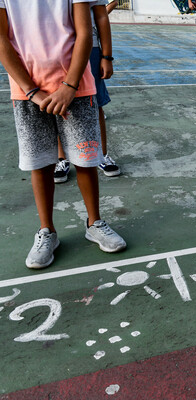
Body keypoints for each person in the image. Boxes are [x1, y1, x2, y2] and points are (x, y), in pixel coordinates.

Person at [0, 0, 127, 269]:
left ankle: (94, 222)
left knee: (86, 159)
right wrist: (31, 90)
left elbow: (84, 31)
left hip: (76, 86)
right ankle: (47, 231)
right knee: (40, 163)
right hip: (27, 89)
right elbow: (2, 37)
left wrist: (69, 85)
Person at [54, 0, 121, 184]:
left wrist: (106, 56)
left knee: (95, 103)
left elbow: (101, 14)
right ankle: (62, 158)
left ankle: (102, 155)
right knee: (57, 103)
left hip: (90, 47)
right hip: (55, 46)